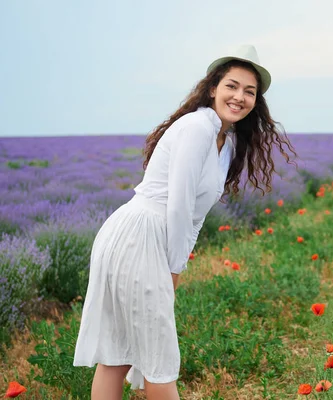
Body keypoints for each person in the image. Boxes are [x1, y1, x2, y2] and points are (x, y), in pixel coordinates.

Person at [73, 44, 297, 400]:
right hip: (139, 236)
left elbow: (194, 216)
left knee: (119, 354)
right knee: (156, 360)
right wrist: (173, 268)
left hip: (142, 236)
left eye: (249, 91)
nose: (239, 97)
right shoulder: (196, 128)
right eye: (232, 86)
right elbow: (177, 205)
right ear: (213, 88)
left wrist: (178, 263)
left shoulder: (228, 140)